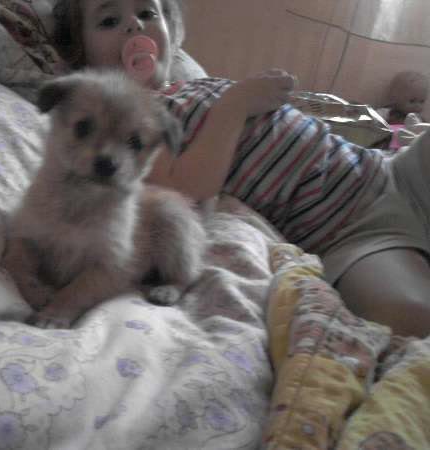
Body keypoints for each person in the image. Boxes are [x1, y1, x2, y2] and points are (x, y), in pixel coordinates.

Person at [51, 0, 430, 338]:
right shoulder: (129, 129)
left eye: (147, 12)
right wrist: (234, 105)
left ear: (171, 29)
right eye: (109, 20)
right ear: (84, 57)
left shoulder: (194, 85)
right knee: (408, 315)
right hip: (350, 232)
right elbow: (186, 187)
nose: (134, 25)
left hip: (389, 170)